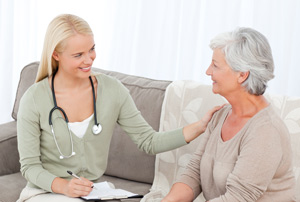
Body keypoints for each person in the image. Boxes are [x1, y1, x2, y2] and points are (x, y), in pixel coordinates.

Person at [16, 14, 223, 202]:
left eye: (92, 49)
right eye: (78, 55)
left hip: (92, 193)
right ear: (56, 55)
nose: (89, 60)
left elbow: (148, 141)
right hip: (45, 192)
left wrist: (200, 126)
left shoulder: (112, 90)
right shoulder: (34, 99)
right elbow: (30, 167)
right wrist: (64, 186)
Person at [162, 27, 296, 202]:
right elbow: (194, 174)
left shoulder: (266, 131)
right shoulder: (220, 116)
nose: (208, 71)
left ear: (242, 75)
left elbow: (238, 198)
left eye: (215, 65)